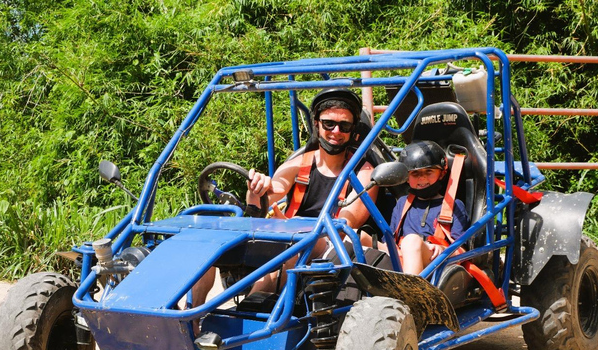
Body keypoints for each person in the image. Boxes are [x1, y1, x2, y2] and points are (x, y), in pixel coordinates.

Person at [191, 88, 377, 312]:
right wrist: (256, 189)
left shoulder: (363, 172)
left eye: (344, 126)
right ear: (317, 124)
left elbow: (347, 224)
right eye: (328, 123)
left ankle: (254, 311)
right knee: (209, 240)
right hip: (292, 238)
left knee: (293, 248)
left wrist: (291, 223)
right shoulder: (299, 164)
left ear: (353, 130)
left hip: (330, 245)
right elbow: (269, 195)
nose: (335, 131)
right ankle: (192, 318)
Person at [388, 140, 469, 275]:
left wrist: (443, 250)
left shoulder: (453, 206)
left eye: (429, 171)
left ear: (442, 173)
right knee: (353, 236)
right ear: (406, 178)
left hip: (434, 261)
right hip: (400, 256)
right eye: (415, 173)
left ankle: (411, 294)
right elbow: (389, 242)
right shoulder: (402, 204)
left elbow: (462, 251)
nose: (422, 178)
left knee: (411, 241)